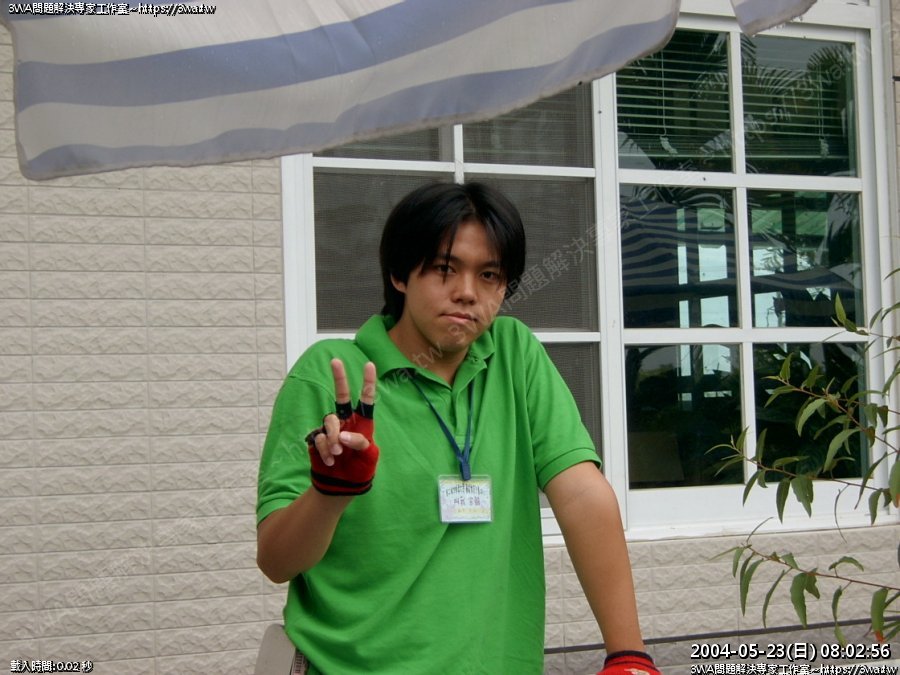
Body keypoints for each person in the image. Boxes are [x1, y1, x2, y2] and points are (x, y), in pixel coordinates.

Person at [256, 182, 658, 674]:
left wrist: (628, 653)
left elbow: (581, 494)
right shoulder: (329, 375)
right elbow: (275, 561)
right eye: (445, 269)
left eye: (489, 275)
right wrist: (329, 493)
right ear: (399, 274)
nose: (468, 292)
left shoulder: (514, 355)